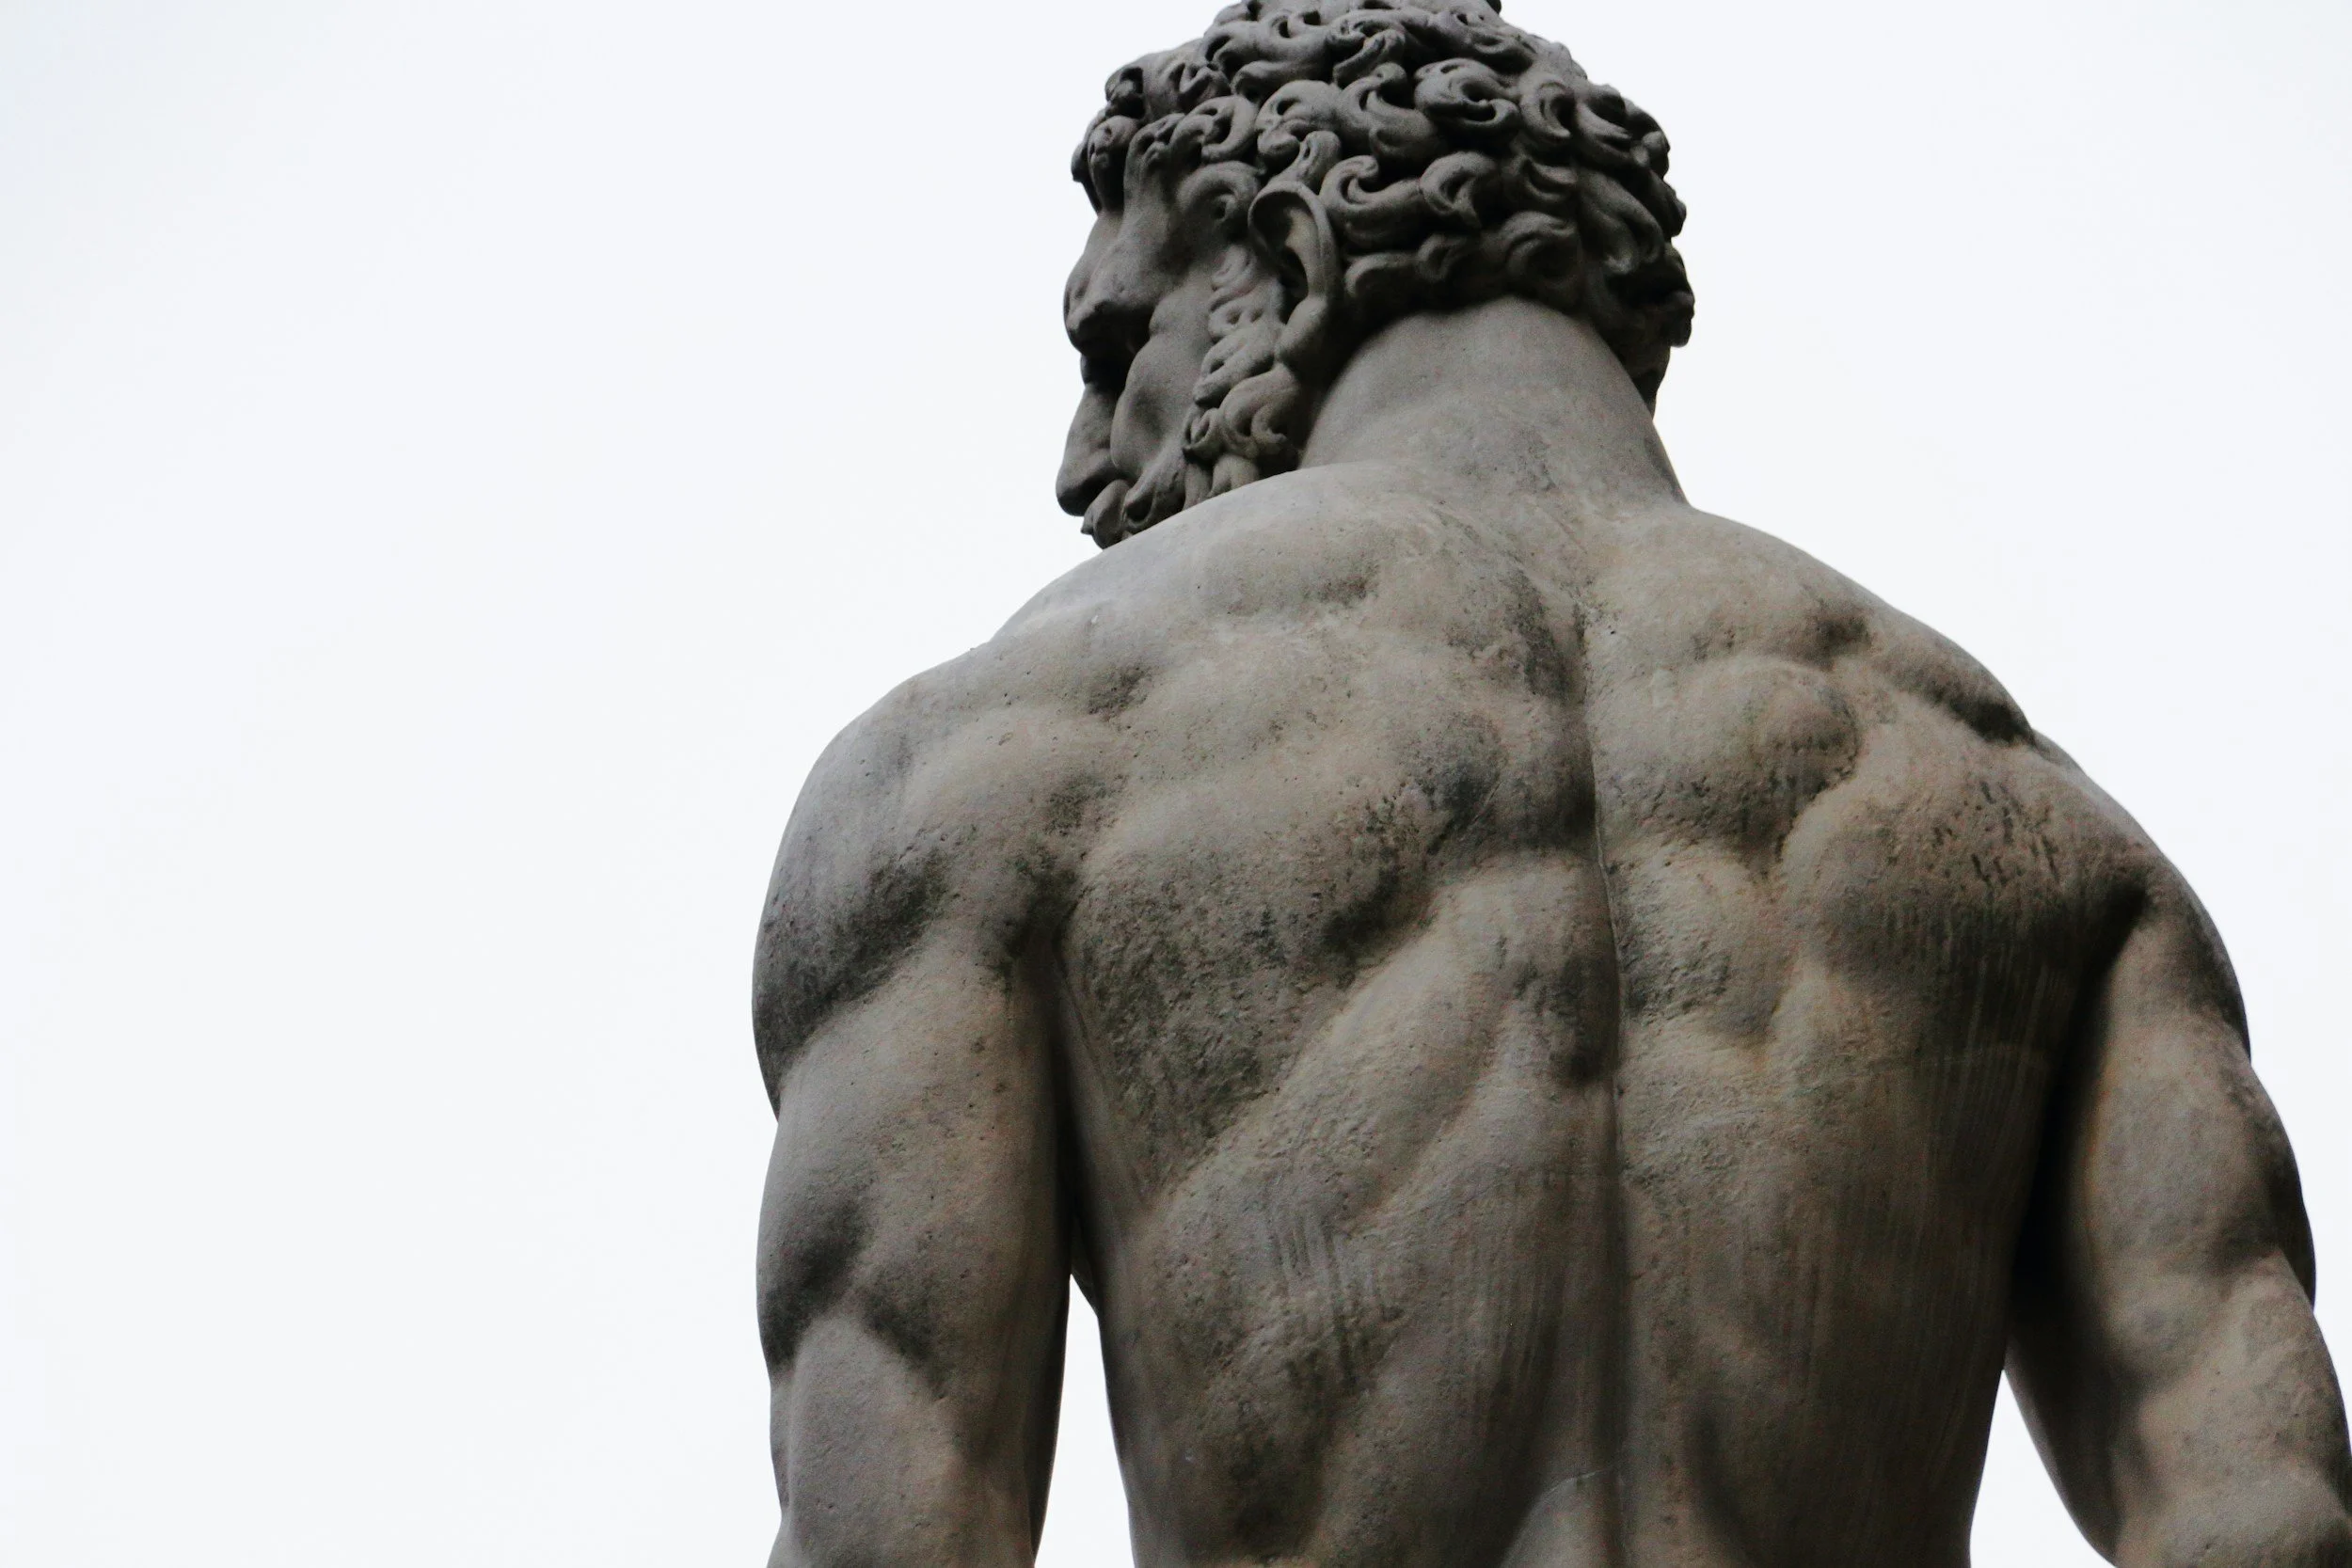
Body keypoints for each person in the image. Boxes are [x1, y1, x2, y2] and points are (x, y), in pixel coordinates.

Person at [751, 5, 2352, 1563]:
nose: (1087, 461)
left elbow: (892, 1530)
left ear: (1286, 264)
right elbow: (2260, 1515)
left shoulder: (998, 769)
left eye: (1119, 349)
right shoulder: (2030, 822)